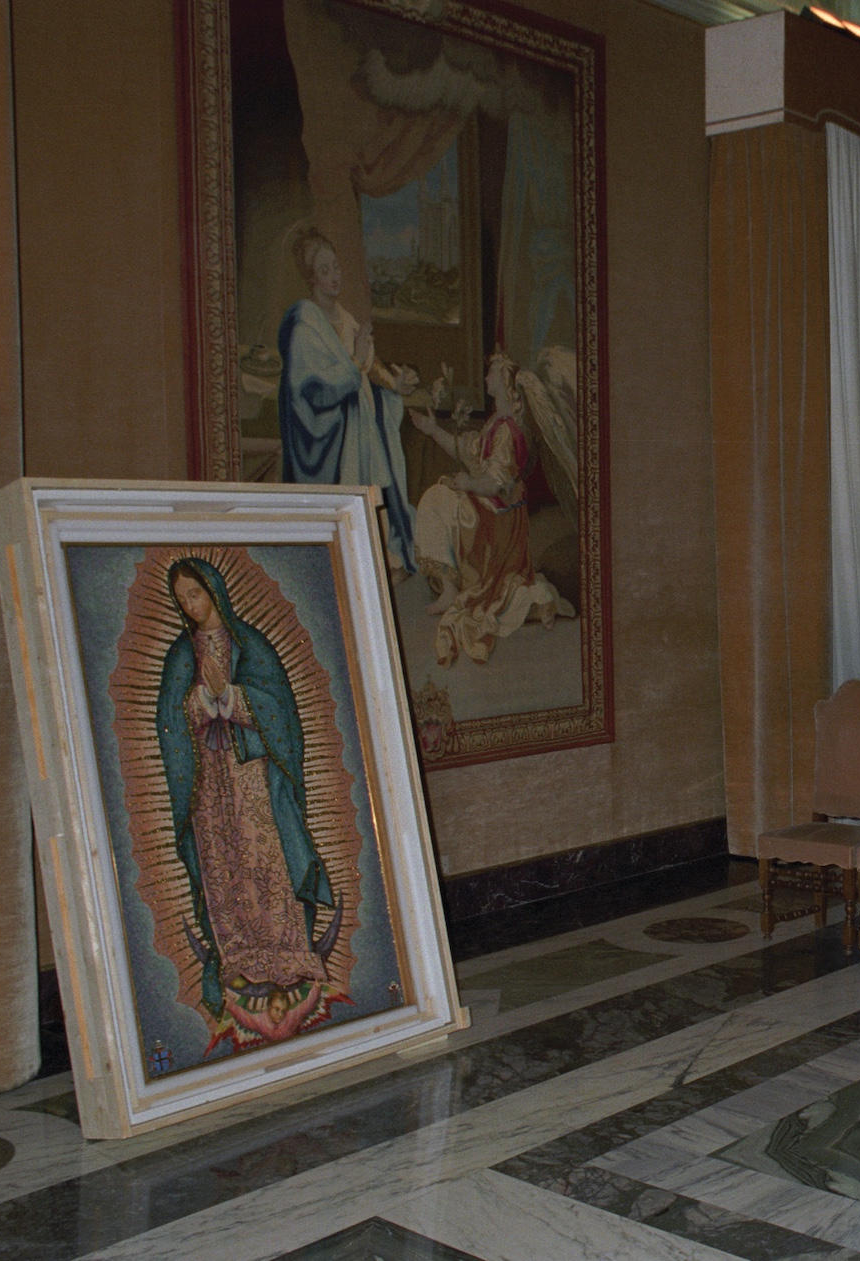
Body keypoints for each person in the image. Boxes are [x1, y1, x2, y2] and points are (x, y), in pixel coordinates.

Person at [156, 558, 336, 1034]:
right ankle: (238, 953)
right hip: (208, 780)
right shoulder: (181, 656)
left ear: (213, 590)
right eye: (182, 600)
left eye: (195, 594)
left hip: (252, 772)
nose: (190, 606)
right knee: (223, 862)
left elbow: (279, 707)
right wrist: (201, 700)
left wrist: (232, 697)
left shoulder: (250, 645)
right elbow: (171, 721)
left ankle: (289, 951)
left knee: (266, 856)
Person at [409, 350, 575, 667]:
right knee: (438, 497)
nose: (486, 378)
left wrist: (468, 485)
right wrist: (433, 430)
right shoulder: (495, 424)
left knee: (438, 499)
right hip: (487, 506)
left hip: (498, 518)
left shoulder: (510, 432)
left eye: (492, 375)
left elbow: (497, 482)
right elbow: (467, 451)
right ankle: (448, 586)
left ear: (504, 383)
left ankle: (451, 588)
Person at [277, 228, 421, 573]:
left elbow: (370, 367)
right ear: (311, 278)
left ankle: (384, 559)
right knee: (351, 494)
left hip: (361, 425)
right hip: (331, 435)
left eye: (336, 268)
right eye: (325, 271)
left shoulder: (345, 318)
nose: (334, 277)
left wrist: (395, 384)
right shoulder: (305, 328)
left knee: (374, 488)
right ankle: (347, 563)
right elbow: (317, 392)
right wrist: (355, 361)